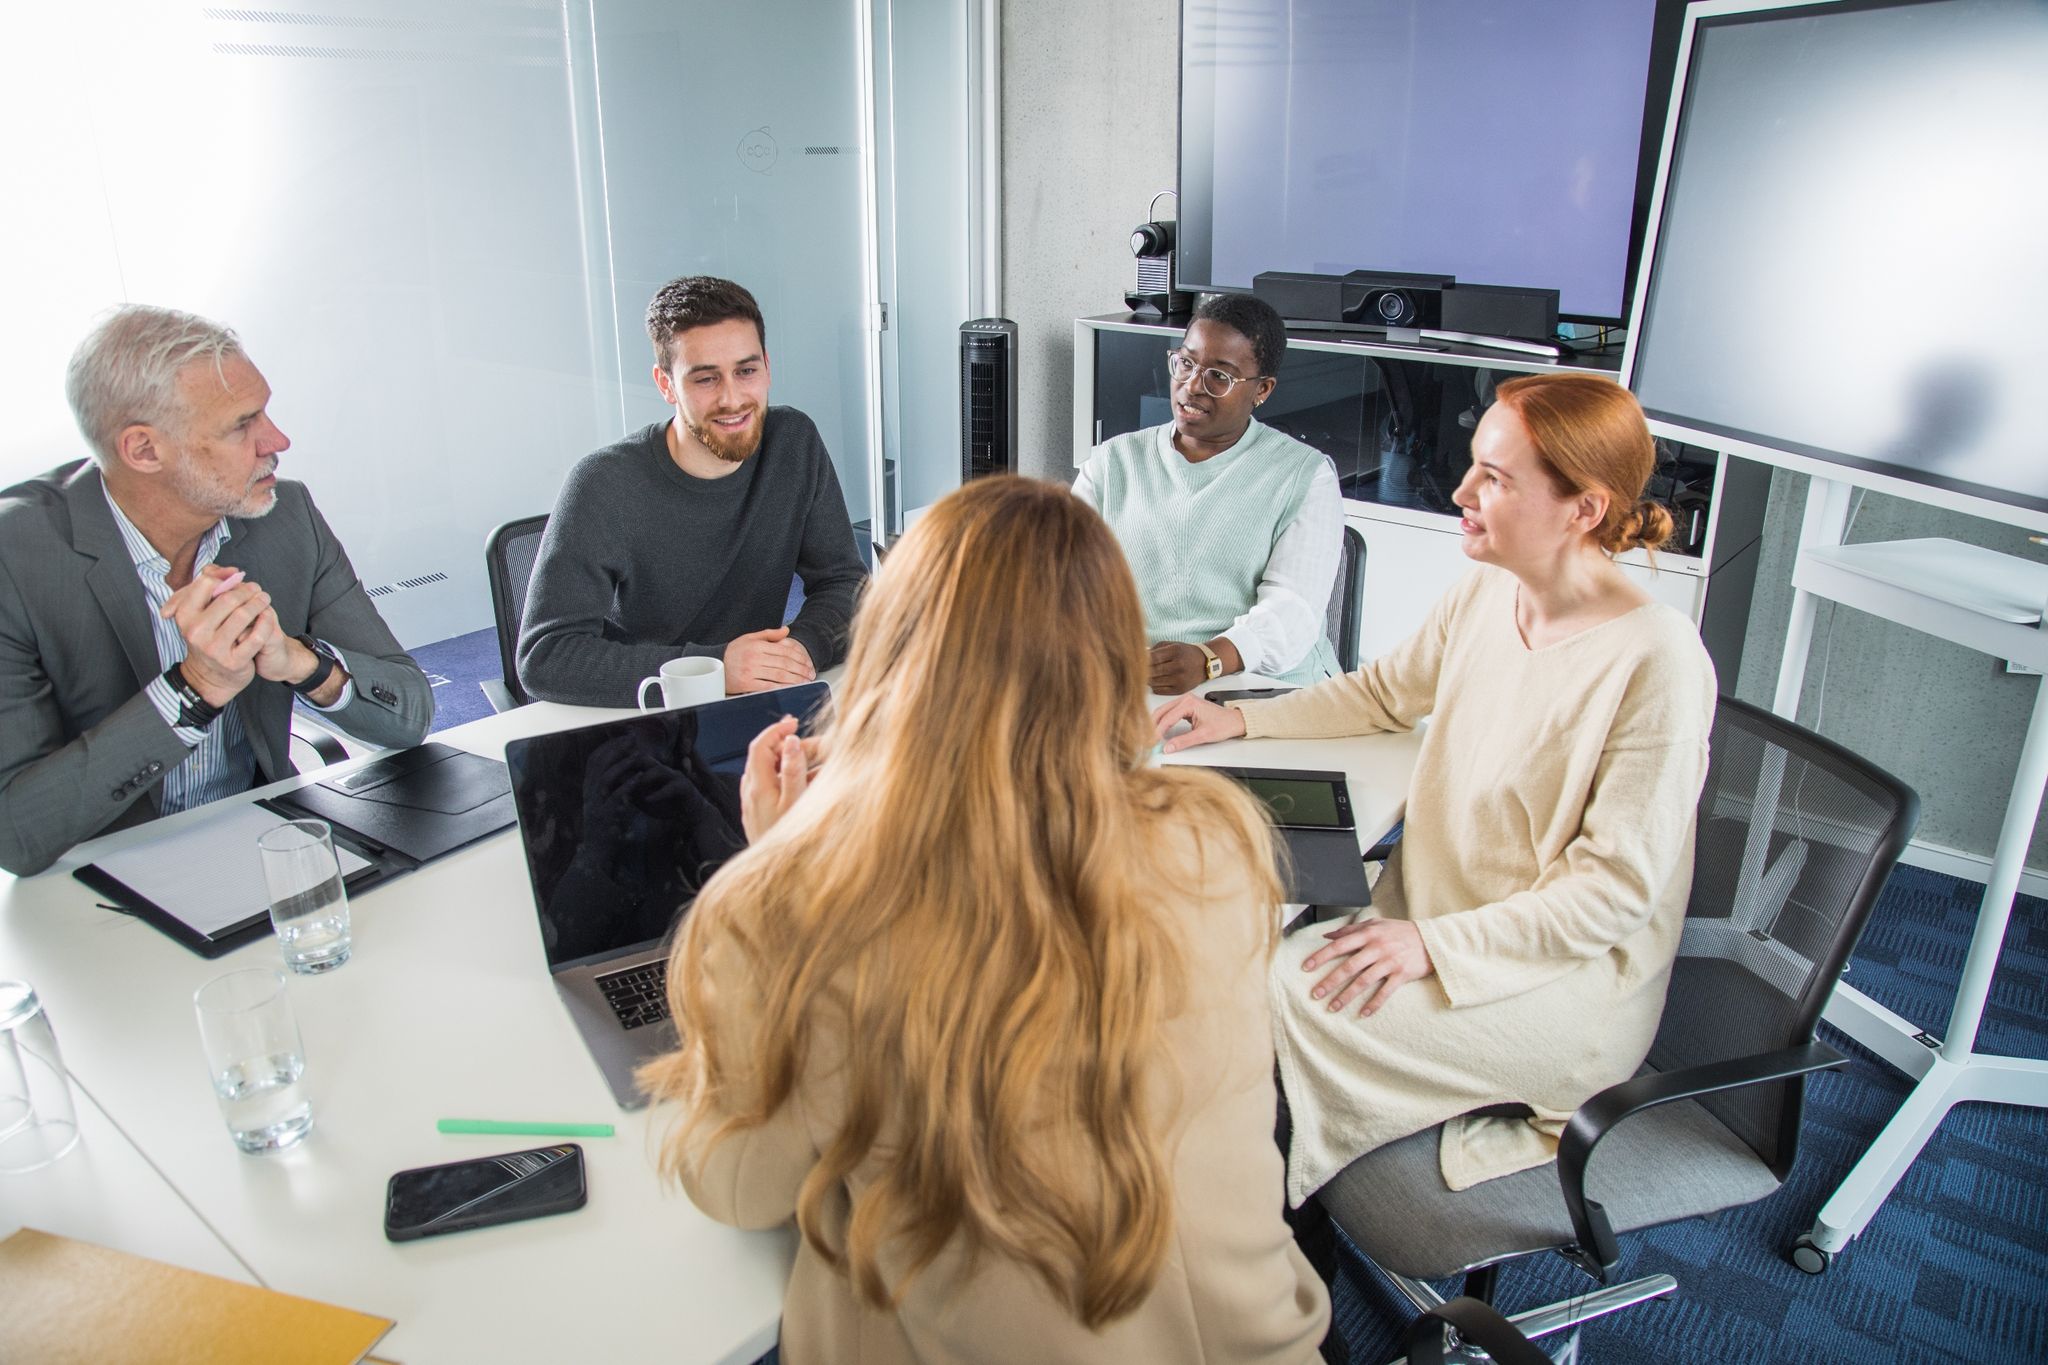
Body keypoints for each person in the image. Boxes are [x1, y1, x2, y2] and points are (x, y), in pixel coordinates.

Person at [639, 477, 1330, 1363]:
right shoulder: (1217, 845)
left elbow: (735, 1188)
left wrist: (781, 861)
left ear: (890, 657)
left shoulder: (802, 906)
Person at [1154, 372, 1718, 1207]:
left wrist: (1433, 948)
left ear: (1584, 510)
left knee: (1272, 1002)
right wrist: (1243, 723)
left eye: (1495, 476)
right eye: (1472, 466)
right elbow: (1384, 693)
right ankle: (1222, 1223)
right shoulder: (1492, 588)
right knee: (1233, 972)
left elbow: (1612, 894)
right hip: (1434, 910)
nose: (1462, 491)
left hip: (1558, 980)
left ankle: (1281, 1280)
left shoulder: (1658, 661)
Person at [0, 305, 433, 878]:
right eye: (241, 425)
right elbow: (16, 834)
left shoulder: (286, 517)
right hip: (99, 879)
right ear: (144, 450)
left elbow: (410, 716)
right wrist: (195, 689)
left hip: (265, 847)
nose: (278, 439)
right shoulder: (15, 558)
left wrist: (303, 664)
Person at [517, 276, 866, 706]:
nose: (733, 398)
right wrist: (716, 669)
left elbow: (844, 582)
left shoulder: (792, 443)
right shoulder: (604, 484)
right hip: (646, 720)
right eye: (705, 379)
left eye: (746, 370)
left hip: (757, 705)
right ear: (666, 385)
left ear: (767, 367)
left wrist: (799, 650)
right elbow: (546, 656)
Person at [1073, 292, 1343, 694]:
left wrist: (1210, 659)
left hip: (1262, 688)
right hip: (1140, 682)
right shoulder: (1113, 463)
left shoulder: (1305, 475)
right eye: (1186, 363)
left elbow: (1292, 610)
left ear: (1262, 389)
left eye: (1220, 376)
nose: (1192, 386)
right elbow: (1060, 577)